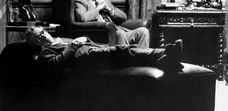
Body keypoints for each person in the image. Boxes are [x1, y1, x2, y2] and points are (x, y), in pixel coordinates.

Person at [24, 26, 184, 74]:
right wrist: (73, 46)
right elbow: (55, 64)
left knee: (126, 50)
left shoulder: (60, 39)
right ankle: (163, 53)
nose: (43, 35)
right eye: (39, 36)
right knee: (125, 51)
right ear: (36, 42)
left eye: (43, 32)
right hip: (84, 58)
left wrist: (85, 41)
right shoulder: (45, 50)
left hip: (92, 50)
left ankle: (163, 58)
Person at [74, 0, 149, 48]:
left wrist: (109, 10)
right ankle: (124, 60)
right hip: (101, 35)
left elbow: (124, 16)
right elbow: (83, 17)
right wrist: (98, 8)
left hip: (117, 31)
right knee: (120, 34)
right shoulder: (81, 1)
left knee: (143, 31)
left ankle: (141, 60)